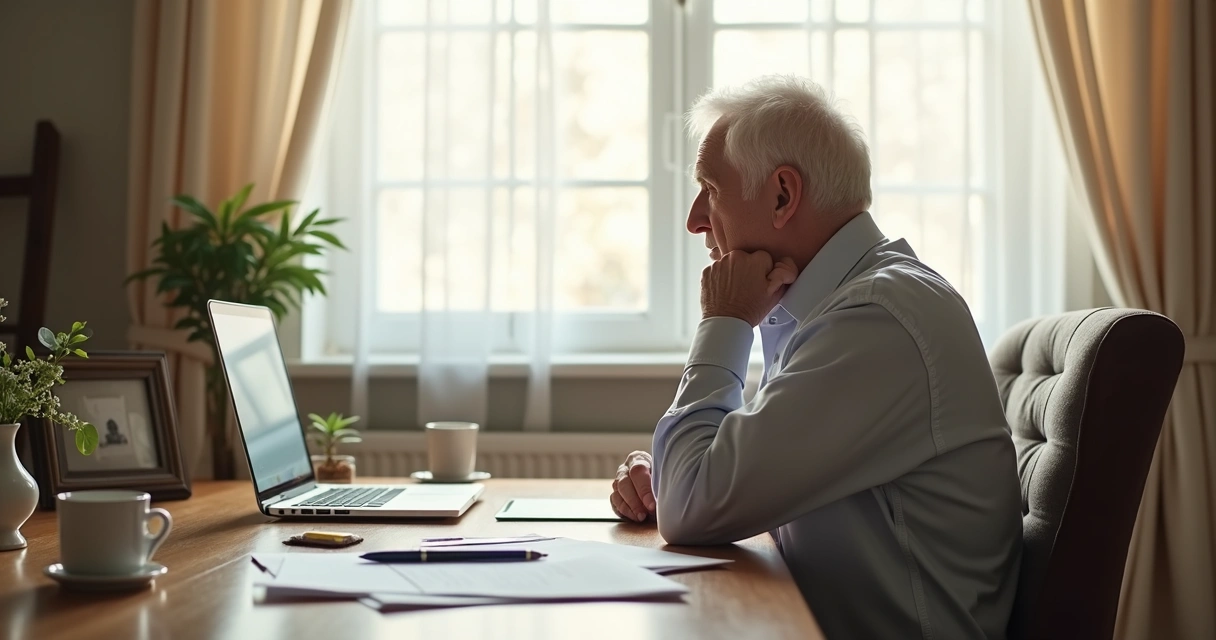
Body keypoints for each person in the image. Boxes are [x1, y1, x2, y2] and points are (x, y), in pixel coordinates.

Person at [610, 75, 1022, 639]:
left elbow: (692, 508)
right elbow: (712, 487)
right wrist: (671, 472)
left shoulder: (877, 321)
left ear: (782, 195)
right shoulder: (841, 307)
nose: (695, 218)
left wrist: (725, 320)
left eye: (710, 186)